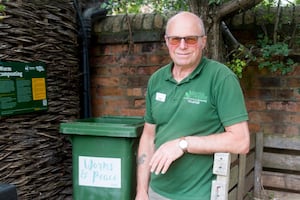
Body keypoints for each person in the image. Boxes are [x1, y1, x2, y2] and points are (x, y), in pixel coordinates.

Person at [135, 11, 250, 200]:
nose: (182, 46)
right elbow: (148, 137)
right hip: (156, 193)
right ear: (166, 41)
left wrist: (183, 144)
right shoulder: (157, 80)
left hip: (199, 195)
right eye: (175, 39)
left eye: (190, 39)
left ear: (203, 41)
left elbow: (241, 141)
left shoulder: (220, 78)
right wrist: (141, 190)